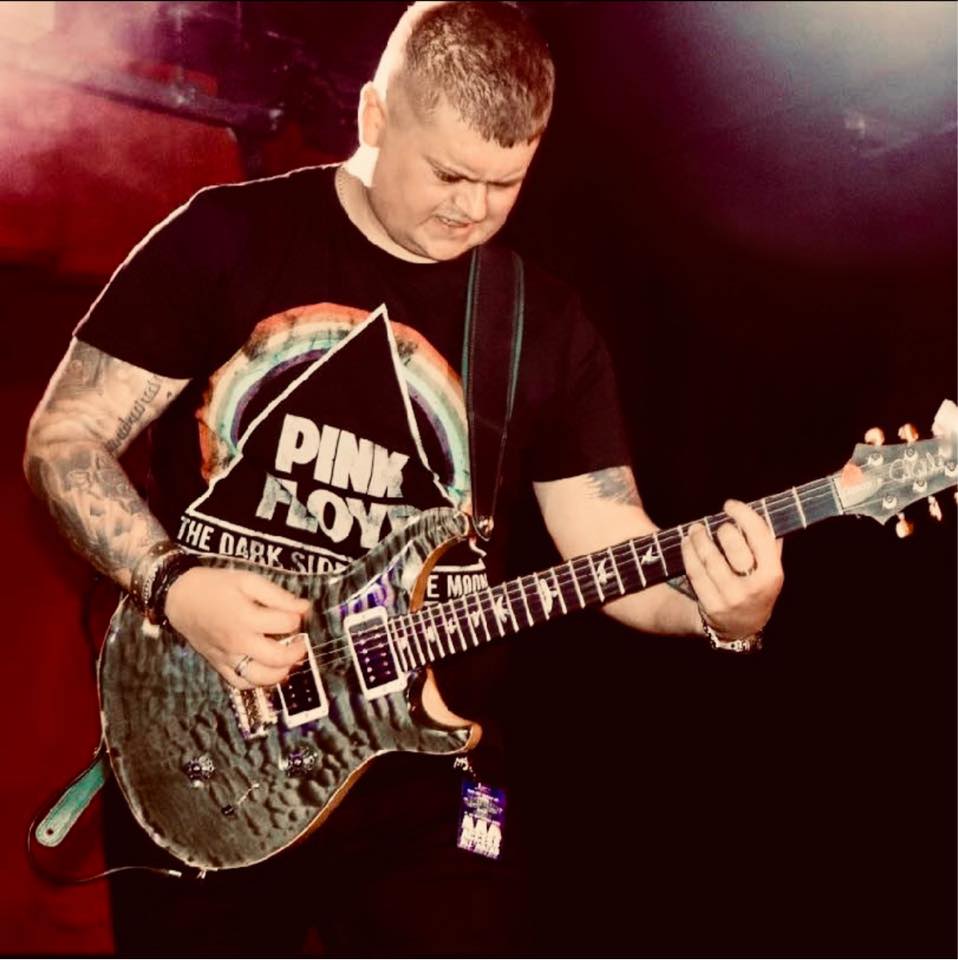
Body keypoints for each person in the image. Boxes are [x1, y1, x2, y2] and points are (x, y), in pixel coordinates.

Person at [24, 1, 783, 954]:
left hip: (426, 776)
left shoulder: (539, 325)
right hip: (209, 732)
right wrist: (176, 585)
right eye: (450, 173)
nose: (472, 207)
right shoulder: (228, 237)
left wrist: (723, 612)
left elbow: (613, 547)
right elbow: (66, 439)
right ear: (376, 116)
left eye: (505, 183)